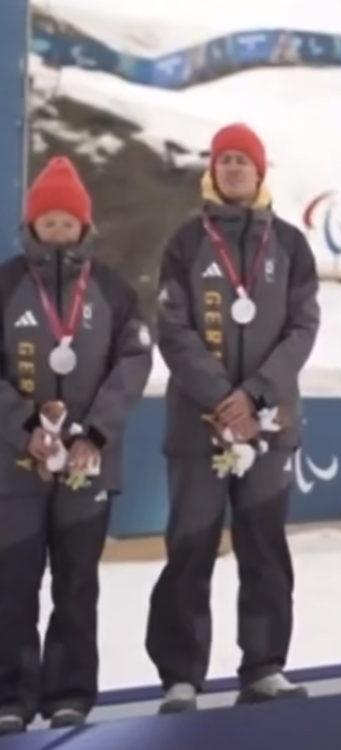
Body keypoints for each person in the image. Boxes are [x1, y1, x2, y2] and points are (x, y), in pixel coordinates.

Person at [145, 123, 321, 712]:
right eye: (226, 160)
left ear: (260, 171)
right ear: (212, 171)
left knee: (264, 548)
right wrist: (225, 399)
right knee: (190, 549)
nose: (235, 169)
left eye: (244, 160)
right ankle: (181, 677)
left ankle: (264, 667)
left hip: (268, 426)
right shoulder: (185, 243)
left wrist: (257, 396)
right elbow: (173, 329)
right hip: (199, 426)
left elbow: (303, 328)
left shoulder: (291, 245)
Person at [0, 157, 152, 733]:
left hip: (89, 464)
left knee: (76, 585)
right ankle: (10, 696)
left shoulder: (112, 289)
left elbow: (135, 360)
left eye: (68, 222)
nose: (59, 232)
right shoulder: (7, 284)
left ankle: (69, 694)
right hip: (14, 468)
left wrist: (95, 431)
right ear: (32, 225)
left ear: (84, 226)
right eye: (50, 222)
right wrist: (25, 429)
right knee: (12, 585)